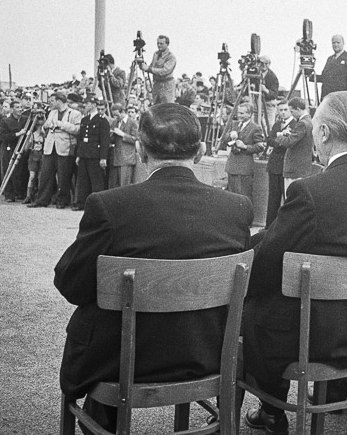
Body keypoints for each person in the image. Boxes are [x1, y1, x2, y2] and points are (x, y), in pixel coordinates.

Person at [54, 103, 253, 434]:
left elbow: (71, 284)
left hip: (119, 361)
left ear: (141, 149)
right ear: (201, 152)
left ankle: (102, 420)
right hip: (205, 355)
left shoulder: (110, 206)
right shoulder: (236, 209)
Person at [241, 92, 347, 432]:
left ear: (323, 134)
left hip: (310, 334)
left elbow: (265, 265)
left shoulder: (309, 191)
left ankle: (272, 410)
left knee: (252, 301)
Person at [29, 92, 82, 209]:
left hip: (64, 147)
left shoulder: (75, 113)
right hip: (50, 147)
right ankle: (42, 200)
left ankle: (62, 200)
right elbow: (44, 128)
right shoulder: (52, 113)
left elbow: (77, 129)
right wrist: (45, 126)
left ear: (59, 101)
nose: (50, 103)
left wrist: (61, 125)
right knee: (45, 174)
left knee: (63, 176)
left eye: (52, 100)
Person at [219, 102, 264, 201]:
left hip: (244, 167)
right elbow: (223, 140)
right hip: (232, 165)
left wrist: (245, 147)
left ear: (250, 114)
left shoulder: (255, 128)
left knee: (244, 196)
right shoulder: (234, 125)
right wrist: (230, 136)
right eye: (238, 113)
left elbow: (260, 147)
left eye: (242, 113)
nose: (239, 115)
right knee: (231, 195)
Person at [72, 96, 110, 211]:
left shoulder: (102, 120)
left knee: (96, 181)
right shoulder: (84, 120)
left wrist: (103, 157)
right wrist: (78, 155)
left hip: (95, 155)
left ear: (93, 105)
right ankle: (81, 203)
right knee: (83, 180)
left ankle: (97, 206)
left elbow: (105, 140)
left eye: (87, 104)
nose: (85, 106)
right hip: (84, 154)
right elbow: (81, 138)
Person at [264, 99, 293, 228]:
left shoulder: (296, 124)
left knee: (287, 198)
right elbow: (269, 139)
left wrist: (277, 141)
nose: (283, 113)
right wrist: (278, 140)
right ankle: (269, 227)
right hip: (274, 165)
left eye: (285, 110)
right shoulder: (276, 124)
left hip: (287, 165)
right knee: (273, 199)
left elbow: (288, 143)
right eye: (280, 110)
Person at [278, 97, 313, 192]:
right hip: (302, 167)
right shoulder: (309, 121)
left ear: (298, 109)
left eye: (292, 111)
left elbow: (289, 142)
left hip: (295, 169)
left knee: (291, 197)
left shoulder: (302, 123)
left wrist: (280, 136)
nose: (291, 115)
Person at [0, 100, 29, 201]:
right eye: (17, 107)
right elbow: (2, 136)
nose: (20, 109)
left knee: (20, 171)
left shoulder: (25, 120)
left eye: (21, 107)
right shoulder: (5, 120)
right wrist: (17, 134)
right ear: (12, 109)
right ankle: (9, 195)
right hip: (8, 147)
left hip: (21, 147)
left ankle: (20, 192)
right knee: (7, 169)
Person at [139, 35, 177, 104]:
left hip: (166, 86)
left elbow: (164, 71)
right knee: (156, 107)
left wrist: (148, 69)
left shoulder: (171, 57)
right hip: (157, 85)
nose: (159, 45)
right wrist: (143, 66)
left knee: (166, 107)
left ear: (167, 44)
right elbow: (152, 66)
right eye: (158, 43)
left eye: (161, 43)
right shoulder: (156, 54)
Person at [108, 104, 139, 188]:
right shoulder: (115, 122)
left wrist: (122, 134)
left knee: (124, 185)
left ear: (122, 112)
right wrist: (110, 135)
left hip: (126, 158)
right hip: (115, 157)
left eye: (117, 115)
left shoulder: (132, 123)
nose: (115, 117)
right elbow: (112, 140)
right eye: (113, 115)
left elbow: (135, 139)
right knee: (114, 184)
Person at [259, 56, 279, 128]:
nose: (264, 66)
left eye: (266, 64)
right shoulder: (255, 73)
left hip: (268, 102)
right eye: (262, 63)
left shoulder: (272, 77)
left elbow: (274, 94)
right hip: (257, 102)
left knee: (269, 125)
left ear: (269, 64)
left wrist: (265, 90)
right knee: (256, 122)